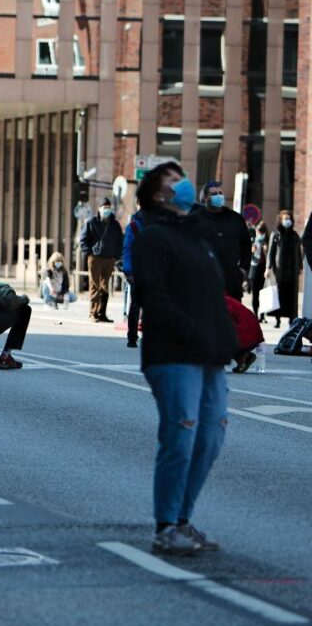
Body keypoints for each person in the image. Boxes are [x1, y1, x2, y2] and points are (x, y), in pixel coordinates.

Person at [131, 162, 236, 555]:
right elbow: (154, 296)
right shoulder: (152, 238)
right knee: (181, 435)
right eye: (174, 181)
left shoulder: (197, 238)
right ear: (158, 195)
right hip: (173, 354)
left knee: (210, 436)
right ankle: (165, 525)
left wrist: (228, 337)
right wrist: (193, 332)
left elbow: (212, 299)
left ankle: (183, 520)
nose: (185, 185)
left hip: (209, 356)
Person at [187, 182, 251, 300]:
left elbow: (246, 245)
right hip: (202, 279)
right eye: (214, 194)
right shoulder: (194, 219)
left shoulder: (236, 219)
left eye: (220, 193)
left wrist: (243, 269)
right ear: (206, 198)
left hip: (231, 280)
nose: (219, 196)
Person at [79, 197, 123, 322]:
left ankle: (102, 313)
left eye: (109, 208)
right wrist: (89, 253)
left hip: (109, 259)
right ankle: (93, 313)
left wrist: (116, 256)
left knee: (105, 287)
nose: (107, 210)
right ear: (99, 209)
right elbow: (83, 239)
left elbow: (120, 240)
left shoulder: (115, 224)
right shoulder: (91, 222)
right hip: (95, 258)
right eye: (104, 208)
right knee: (94, 285)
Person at [123, 201, 155, 348]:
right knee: (136, 305)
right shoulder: (134, 226)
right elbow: (127, 249)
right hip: (137, 271)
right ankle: (132, 336)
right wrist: (128, 271)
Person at [266, 210, 303, 328]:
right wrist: (268, 267)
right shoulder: (275, 235)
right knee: (278, 296)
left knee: (291, 297)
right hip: (279, 271)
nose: (287, 221)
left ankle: (291, 320)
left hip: (292, 271)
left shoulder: (295, 235)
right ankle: (277, 320)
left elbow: (299, 252)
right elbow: (271, 253)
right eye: (285, 219)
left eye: (289, 219)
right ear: (281, 220)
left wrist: (300, 267)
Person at [224, 295, 264, 374]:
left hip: (248, 334)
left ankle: (242, 357)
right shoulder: (219, 298)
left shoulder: (215, 302)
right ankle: (243, 357)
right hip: (252, 333)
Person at [247, 221, 269, 322]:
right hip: (254, 269)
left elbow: (271, 254)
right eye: (258, 231)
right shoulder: (252, 240)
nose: (259, 233)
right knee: (255, 294)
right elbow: (246, 255)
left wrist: (265, 250)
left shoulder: (267, 240)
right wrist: (251, 251)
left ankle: (262, 315)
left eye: (261, 231)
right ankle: (255, 314)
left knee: (264, 294)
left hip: (264, 269)